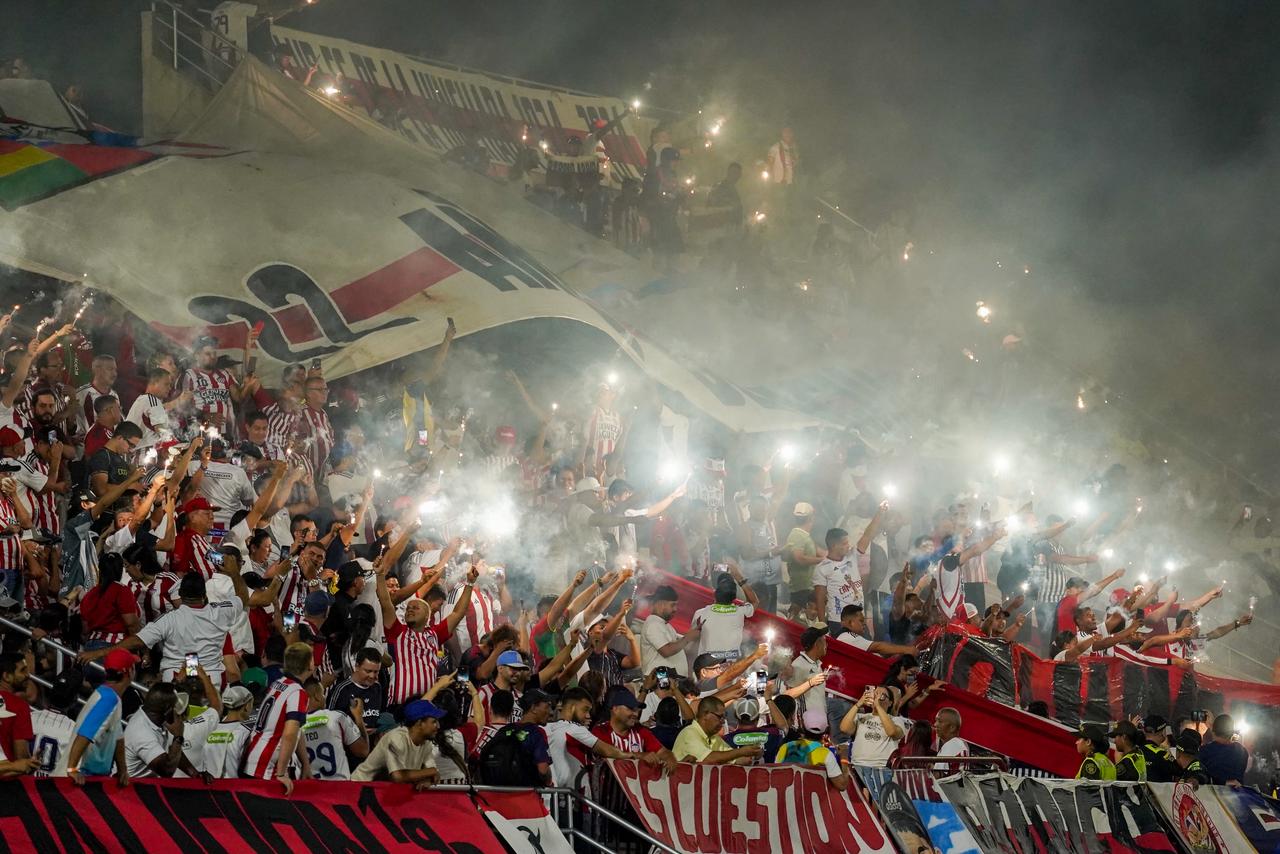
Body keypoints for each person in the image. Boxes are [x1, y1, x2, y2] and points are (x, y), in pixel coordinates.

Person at [83, 569, 245, 684]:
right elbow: (243, 598)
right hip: (210, 682)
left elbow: (137, 640)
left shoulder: (170, 619)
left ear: (180, 595)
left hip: (178, 683)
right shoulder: (221, 611)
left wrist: (100, 652)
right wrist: (234, 572)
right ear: (204, 595)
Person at [243, 641, 315, 791]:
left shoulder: (279, 683)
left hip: (254, 758)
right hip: (268, 768)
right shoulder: (298, 693)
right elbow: (289, 733)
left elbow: (296, 730)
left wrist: (305, 764)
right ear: (309, 665)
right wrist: (281, 773)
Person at [67, 649, 135, 786]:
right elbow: (84, 734)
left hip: (91, 776)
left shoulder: (109, 695)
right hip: (80, 777)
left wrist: (123, 770)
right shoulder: (108, 699)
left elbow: (118, 737)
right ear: (129, 672)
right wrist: (72, 768)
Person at [351, 699, 445, 788]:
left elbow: (434, 774)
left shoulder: (425, 742)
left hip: (383, 790)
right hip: (359, 787)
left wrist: (427, 779)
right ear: (419, 723)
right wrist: (431, 772)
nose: (438, 726)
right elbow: (398, 776)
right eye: (434, 722)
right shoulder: (396, 738)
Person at [123, 682, 206, 779]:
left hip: (147, 784)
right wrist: (178, 737)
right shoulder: (141, 732)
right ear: (168, 709)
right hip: (130, 788)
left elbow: (170, 754)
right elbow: (167, 770)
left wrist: (195, 774)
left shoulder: (156, 718)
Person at [478, 689, 554, 786]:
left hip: (497, 795)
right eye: (547, 707)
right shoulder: (536, 732)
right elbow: (543, 769)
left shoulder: (505, 730)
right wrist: (549, 783)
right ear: (534, 708)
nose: (550, 712)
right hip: (525, 796)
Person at [592, 690, 677, 773]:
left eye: (636, 710)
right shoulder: (601, 731)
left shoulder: (640, 730)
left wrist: (669, 758)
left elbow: (662, 751)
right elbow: (610, 754)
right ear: (615, 708)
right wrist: (640, 756)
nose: (636, 714)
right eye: (630, 709)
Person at [301, 677, 368, 780]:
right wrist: (358, 717)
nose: (324, 697)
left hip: (309, 790)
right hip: (338, 789)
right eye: (323, 694)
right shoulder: (337, 717)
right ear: (317, 696)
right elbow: (363, 751)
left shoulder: (293, 725)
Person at [672, 697, 762, 765]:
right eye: (719, 717)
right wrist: (740, 752)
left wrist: (753, 754)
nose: (723, 721)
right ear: (705, 714)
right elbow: (707, 759)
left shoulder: (714, 738)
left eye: (724, 717)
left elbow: (732, 756)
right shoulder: (689, 733)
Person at [690, 568, 759, 656]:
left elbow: (691, 640)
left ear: (715, 592)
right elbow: (754, 601)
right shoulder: (740, 612)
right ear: (734, 596)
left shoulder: (700, 614)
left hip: (706, 666)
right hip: (731, 667)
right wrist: (740, 579)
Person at [775, 709, 848, 790]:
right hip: (810, 799)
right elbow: (842, 785)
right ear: (826, 729)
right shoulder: (825, 754)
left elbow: (776, 776)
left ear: (802, 726)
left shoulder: (785, 747)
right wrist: (844, 758)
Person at [639, 584, 699, 675]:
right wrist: (687, 638)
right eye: (672, 605)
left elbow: (676, 647)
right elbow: (666, 651)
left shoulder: (664, 624)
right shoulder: (653, 624)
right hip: (660, 683)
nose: (675, 609)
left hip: (670, 682)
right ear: (661, 604)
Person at [813, 528, 862, 635]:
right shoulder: (822, 568)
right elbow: (820, 599)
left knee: (864, 650)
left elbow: (867, 537)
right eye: (845, 543)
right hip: (839, 622)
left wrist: (881, 511)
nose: (848, 545)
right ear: (834, 546)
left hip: (859, 617)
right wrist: (822, 626)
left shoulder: (852, 556)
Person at [326, 647, 385, 734]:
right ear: (357, 666)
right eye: (368, 671)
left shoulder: (377, 687)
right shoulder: (342, 690)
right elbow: (330, 723)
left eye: (376, 672)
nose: (372, 676)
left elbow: (380, 717)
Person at [31, 673, 80, 777]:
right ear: (75, 701)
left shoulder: (29, 717)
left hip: (25, 784)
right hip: (53, 789)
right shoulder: (75, 731)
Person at [201, 685, 255, 779]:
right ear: (247, 706)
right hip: (236, 788)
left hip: (212, 788)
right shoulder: (246, 731)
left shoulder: (211, 728)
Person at [833, 604, 919, 656]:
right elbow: (877, 647)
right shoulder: (846, 636)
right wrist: (906, 650)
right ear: (850, 622)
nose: (864, 623)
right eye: (861, 620)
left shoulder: (847, 637)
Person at [783, 502, 825, 604]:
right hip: (801, 589)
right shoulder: (797, 535)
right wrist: (822, 560)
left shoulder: (805, 535)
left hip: (808, 586)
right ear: (811, 517)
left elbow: (820, 552)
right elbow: (799, 558)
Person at [788, 626, 832, 722]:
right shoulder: (799, 665)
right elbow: (789, 694)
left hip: (820, 721)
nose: (827, 645)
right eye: (824, 641)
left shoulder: (817, 664)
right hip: (807, 722)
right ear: (817, 644)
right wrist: (811, 683)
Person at [1198, 713, 1249, 786]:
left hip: (1210, 795)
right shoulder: (1242, 751)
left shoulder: (1204, 751)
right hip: (1237, 795)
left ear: (1213, 731)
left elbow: (1201, 777)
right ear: (1232, 732)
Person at [0, 652, 32, 762]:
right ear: (6, 676)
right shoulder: (19, 706)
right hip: (7, 775)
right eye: (23, 670)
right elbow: (21, 756)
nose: (28, 675)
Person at [933, 707, 968, 772]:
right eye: (936, 721)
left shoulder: (957, 747)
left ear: (952, 728)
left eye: (940, 721)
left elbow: (954, 779)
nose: (935, 724)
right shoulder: (948, 745)